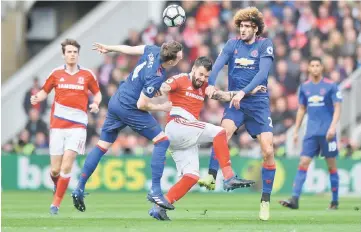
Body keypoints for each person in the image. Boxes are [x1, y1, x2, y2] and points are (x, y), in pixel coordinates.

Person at [71, 41, 183, 212]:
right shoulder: (157, 75)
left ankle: (79, 187)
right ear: (171, 61)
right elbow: (142, 104)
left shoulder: (153, 50)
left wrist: (110, 48)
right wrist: (161, 107)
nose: (181, 56)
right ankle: (155, 190)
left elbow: (130, 49)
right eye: (179, 55)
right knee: (162, 141)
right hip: (130, 107)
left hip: (117, 100)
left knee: (102, 145)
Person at [148, 56, 261, 221]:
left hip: (185, 136)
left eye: (206, 76)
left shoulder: (206, 86)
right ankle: (229, 177)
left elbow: (225, 95)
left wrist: (248, 92)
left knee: (191, 177)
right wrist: (156, 89)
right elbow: (164, 87)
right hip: (177, 125)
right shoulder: (181, 79)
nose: (202, 79)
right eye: (200, 74)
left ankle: (159, 207)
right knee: (220, 132)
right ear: (193, 68)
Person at [198, 7, 276, 221]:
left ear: (256, 29)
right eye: (241, 26)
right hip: (236, 103)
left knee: (268, 151)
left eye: (247, 27)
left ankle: (265, 200)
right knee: (222, 133)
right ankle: (212, 176)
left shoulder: (264, 45)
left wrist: (242, 92)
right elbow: (218, 65)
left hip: (258, 104)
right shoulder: (232, 45)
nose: (242, 30)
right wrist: (211, 84)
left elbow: (262, 74)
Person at [30, 39, 102, 215]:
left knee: (67, 166)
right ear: (64, 54)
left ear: (78, 54)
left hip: (78, 126)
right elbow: (44, 91)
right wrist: (37, 98)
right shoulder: (55, 74)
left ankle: (56, 204)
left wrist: (96, 104)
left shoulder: (87, 75)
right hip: (57, 126)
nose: (72, 54)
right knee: (55, 169)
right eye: (69, 52)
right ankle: (57, 184)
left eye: (74, 52)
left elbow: (97, 93)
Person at [279, 57, 342, 210]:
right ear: (308, 68)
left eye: (317, 65)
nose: (314, 68)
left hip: (327, 133)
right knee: (303, 163)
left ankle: (334, 201)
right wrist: (295, 130)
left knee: (331, 166)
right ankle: (294, 199)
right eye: (312, 65)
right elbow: (301, 109)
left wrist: (333, 127)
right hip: (311, 133)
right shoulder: (305, 87)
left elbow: (338, 107)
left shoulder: (330, 86)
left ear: (322, 68)